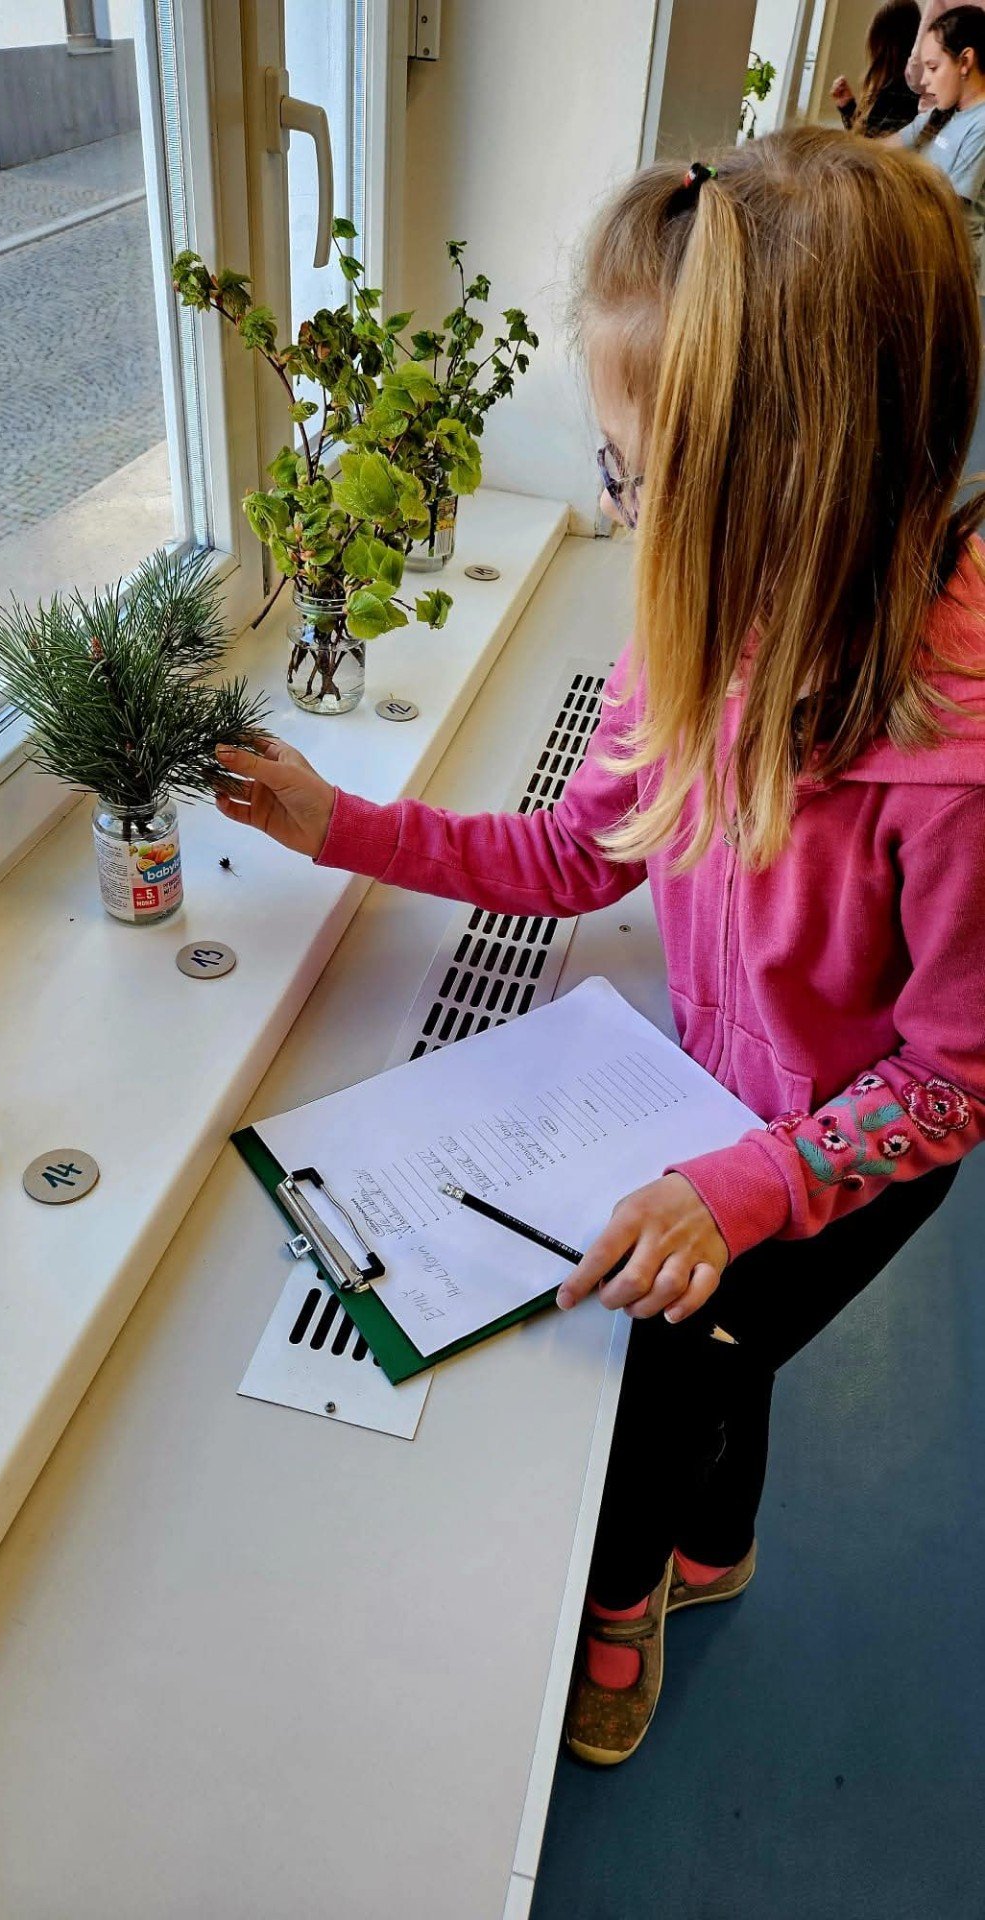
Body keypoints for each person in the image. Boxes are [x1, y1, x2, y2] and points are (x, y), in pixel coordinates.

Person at [211, 129, 985, 1767]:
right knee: (724, 1358)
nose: (614, 507)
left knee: (676, 1371)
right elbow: (577, 853)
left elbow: (950, 1080)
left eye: (633, 474)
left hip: (843, 1158)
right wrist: (342, 825)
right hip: (715, 1104)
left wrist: (747, 1187)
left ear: (781, 479)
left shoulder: (953, 765)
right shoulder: (699, 629)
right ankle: (719, 1549)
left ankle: (624, 1600)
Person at [899, 7, 985, 283]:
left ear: (965, 61)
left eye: (933, 67)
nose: (924, 80)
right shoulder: (939, 113)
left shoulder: (981, 124)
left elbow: (946, 207)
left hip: (950, 273)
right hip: (920, 257)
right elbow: (885, 147)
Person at [831, 1, 920, 136]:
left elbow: (866, 144)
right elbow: (868, 138)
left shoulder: (897, 94)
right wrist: (848, 106)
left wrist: (849, 110)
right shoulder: (905, 89)